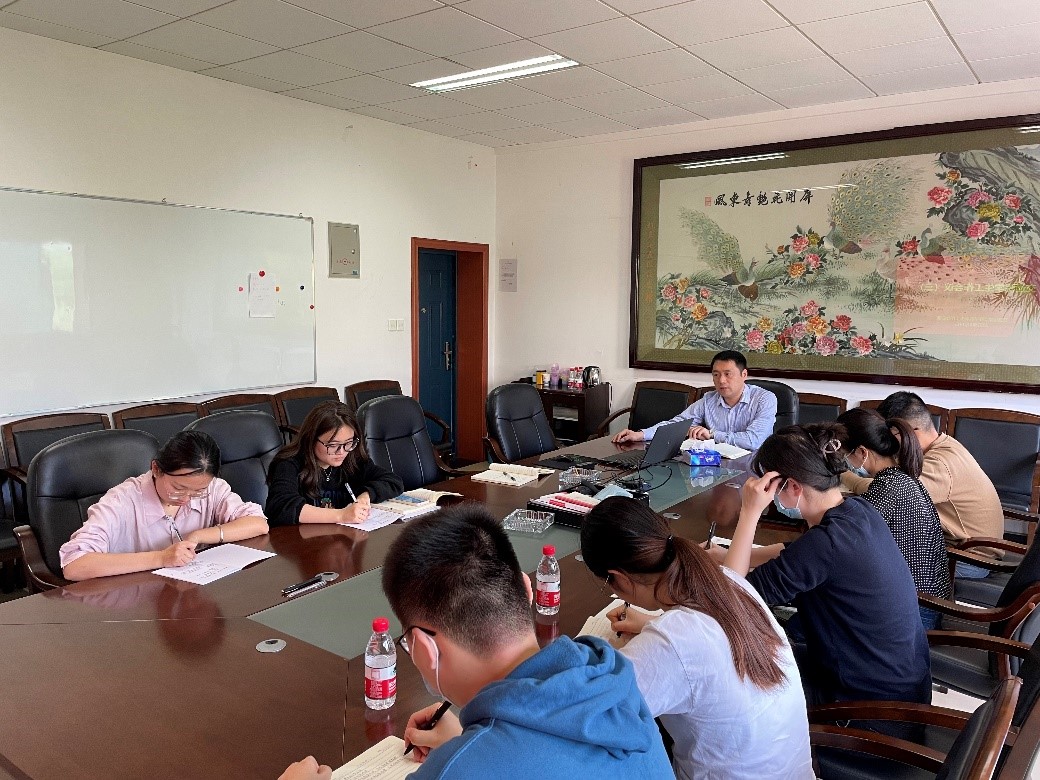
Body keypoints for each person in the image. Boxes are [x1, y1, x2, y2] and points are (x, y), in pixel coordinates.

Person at [280, 503, 673, 780]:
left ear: (424, 649)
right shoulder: (612, 680)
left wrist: (469, 756)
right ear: (527, 590)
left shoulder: (460, 772)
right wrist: (471, 743)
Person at [580, 496, 814, 780]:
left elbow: (590, 715)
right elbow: (707, 643)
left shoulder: (671, 643)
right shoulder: (730, 582)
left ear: (619, 577)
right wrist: (649, 627)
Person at [724, 424, 931, 706]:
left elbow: (732, 599)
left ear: (793, 486)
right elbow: (796, 552)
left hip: (863, 707)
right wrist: (724, 554)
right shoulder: (858, 510)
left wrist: (749, 512)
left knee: (731, 666)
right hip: (900, 686)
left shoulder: (824, 544)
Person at [60, 430, 268, 581]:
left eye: (198, 491)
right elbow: (74, 564)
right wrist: (161, 558)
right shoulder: (120, 501)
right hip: (136, 601)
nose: (187, 498)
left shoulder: (212, 488)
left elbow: (258, 524)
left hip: (189, 593)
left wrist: (199, 535)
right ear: (156, 469)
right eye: (178, 488)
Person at [843, 391, 1004, 579]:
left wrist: (844, 474)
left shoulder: (939, 464)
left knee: (861, 561)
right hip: (956, 547)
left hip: (969, 559)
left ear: (905, 431)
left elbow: (886, 491)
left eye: (887, 436)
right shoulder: (943, 446)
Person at [835, 408, 951, 629]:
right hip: (925, 602)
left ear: (862, 452)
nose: (844, 460)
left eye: (844, 454)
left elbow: (842, 540)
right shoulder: (901, 477)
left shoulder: (888, 488)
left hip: (917, 611)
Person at [265, 401, 404, 526]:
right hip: (301, 540)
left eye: (348, 443)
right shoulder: (288, 464)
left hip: (343, 536)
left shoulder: (352, 459)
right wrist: (341, 515)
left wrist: (366, 495)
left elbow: (393, 481)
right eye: (332, 445)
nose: (341, 452)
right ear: (311, 439)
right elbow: (281, 507)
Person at [612, 350, 776, 449]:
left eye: (728, 374)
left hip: (753, 467)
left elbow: (753, 441)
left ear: (744, 374)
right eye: (716, 374)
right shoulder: (709, 399)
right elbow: (678, 424)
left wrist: (712, 434)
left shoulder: (764, 399)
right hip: (717, 464)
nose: (721, 380)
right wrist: (640, 434)